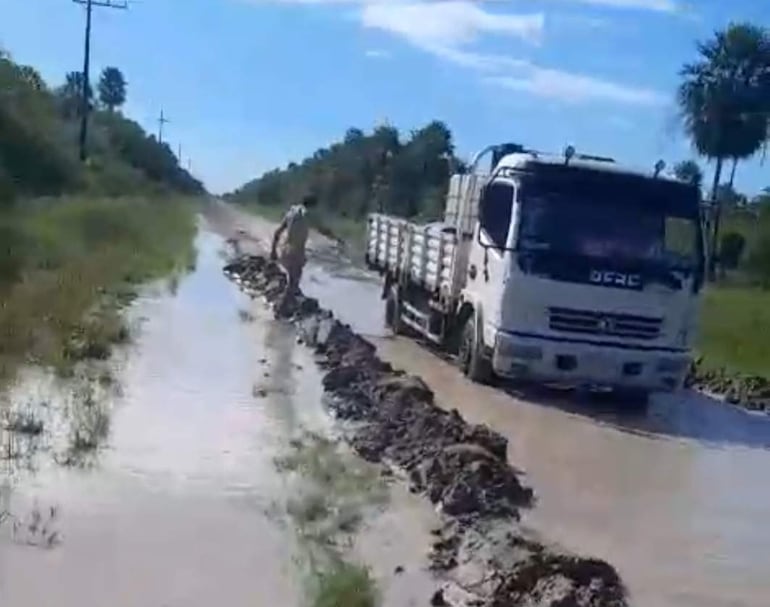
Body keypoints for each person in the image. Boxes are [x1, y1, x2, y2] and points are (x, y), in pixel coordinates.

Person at [270, 194, 317, 303]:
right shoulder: (308, 215)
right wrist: (335, 238)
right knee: (294, 281)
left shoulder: (291, 213)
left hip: (285, 250)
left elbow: (277, 232)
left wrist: (273, 250)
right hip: (296, 252)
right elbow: (322, 228)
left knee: (293, 279)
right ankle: (283, 306)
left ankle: (288, 302)